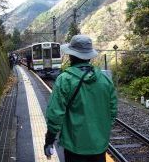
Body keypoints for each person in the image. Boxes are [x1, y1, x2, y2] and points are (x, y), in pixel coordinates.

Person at [44, 34, 117, 162]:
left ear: (71, 55)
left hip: (74, 146)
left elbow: (55, 114)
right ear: (89, 56)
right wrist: (100, 132)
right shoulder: (105, 79)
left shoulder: (65, 79)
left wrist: (49, 140)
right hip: (99, 146)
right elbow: (112, 111)